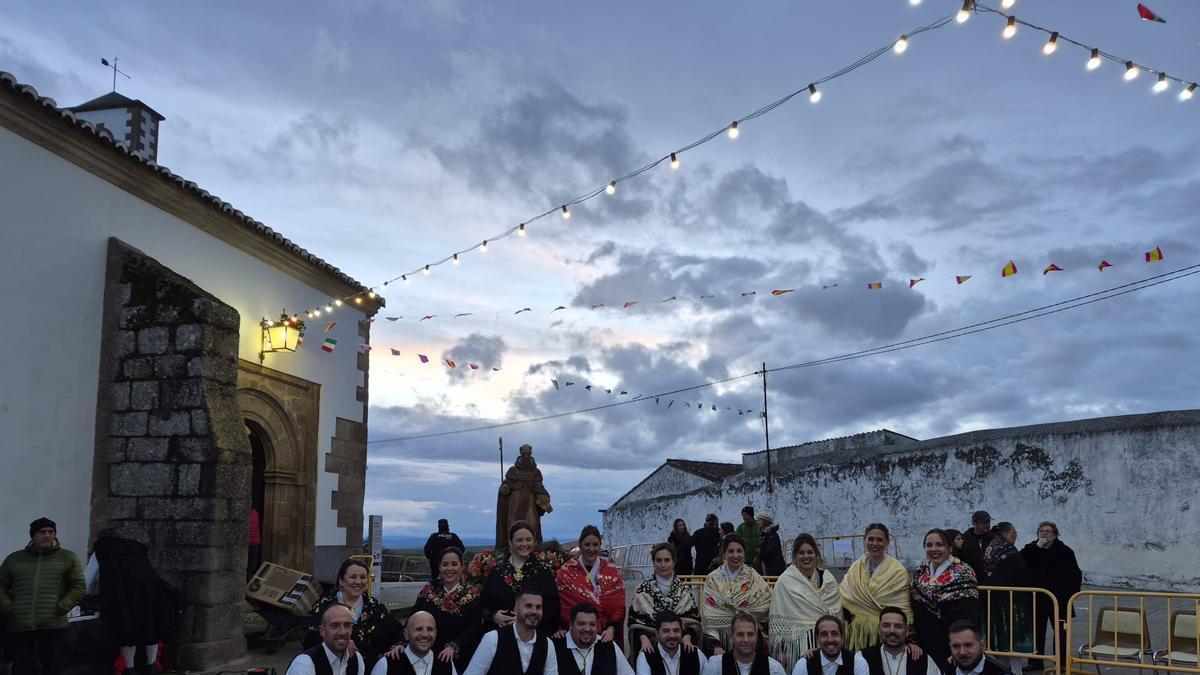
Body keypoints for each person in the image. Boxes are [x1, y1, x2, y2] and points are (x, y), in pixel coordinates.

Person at [0, 517, 86, 675]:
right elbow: (1, 585)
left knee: (52, 666)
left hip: (53, 623)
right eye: (42, 532)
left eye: (51, 532)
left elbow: (79, 586)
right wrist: (9, 608)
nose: (47, 535)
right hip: (21, 623)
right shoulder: (14, 559)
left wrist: (62, 606)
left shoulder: (67, 558)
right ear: (33, 535)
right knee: (22, 667)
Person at [86, 529, 178, 675]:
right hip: (149, 591)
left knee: (126, 631)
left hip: (122, 594)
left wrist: (86, 595)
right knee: (151, 628)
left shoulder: (102, 549)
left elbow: (88, 580)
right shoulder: (134, 546)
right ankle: (151, 666)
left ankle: (130, 669)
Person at [306, 559, 399, 666]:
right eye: (353, 577)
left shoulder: (376, 607)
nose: (358, 582)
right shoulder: (324, 606)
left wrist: (394, 648)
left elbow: (397, 634)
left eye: (363, 577)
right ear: (341, 580)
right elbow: (310, 640)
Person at [910, 529, 978, 675]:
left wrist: (960, 648)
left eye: (939, 545)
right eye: (929, 545)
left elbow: (969, 613)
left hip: (951, 642)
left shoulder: (963, 572)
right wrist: (912, 640)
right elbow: (914, 607)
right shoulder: (920, 572)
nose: (934, 549)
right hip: (924, 640)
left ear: (949, 548)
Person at [770, 534, 843, 669]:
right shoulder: (784, 582)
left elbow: (836, 614)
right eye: (801, 553)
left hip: (827, 642)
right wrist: (780, 651)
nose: (806, 556)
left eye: (810, 552)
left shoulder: (828, 580)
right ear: (795, 557)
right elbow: (779, 619)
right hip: (796, 647)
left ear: (816, 555)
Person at [1019, 522, 1081, 672]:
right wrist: (1038, 546)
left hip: (1059, 599)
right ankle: (1035, 662)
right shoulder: (1032, 549)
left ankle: (1061, 662)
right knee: (1036, 631)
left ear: (1055, 534)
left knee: (1060, 632)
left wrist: (1069, 594)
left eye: (1048, 531)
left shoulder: (1065, 551)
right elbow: (1021, 560)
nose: (1045, 533)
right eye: (1042, 531)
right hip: (1037, 598)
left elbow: (1076, 575)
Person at [481, 521, 561, 635]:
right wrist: (493, 616)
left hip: (533, 636)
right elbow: (484, 603)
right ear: (511, 542)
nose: (525, 544)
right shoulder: (497, 572)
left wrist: (524, 621)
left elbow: (553, 610)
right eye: (519, 540)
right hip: (500, 635)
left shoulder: (543, 572)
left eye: (528, 539)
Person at [841, 524, 912, 652]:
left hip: (885, 634)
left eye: (879, 540)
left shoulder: (898, 571)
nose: (875, 543)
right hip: (857, 633)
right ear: (865, 540)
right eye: (871, 539)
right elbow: (845, 596)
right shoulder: (855, 568)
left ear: (887, 542)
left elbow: (903, 606)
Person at [411, 547, 483, 668]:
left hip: (459, 656)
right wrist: (401, 642)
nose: (449, 569)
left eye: (454, 564)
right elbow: (414, 617)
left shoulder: (472, 594)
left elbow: (475, 627)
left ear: (462, 567)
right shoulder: (429, 590)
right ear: (439, 568)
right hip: (427, 653)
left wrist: (455, 645)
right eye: (445, 564)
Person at [555, 526, 626, 647]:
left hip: (606, 634)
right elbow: (561, 607)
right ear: (580, 545)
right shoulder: (566, 572)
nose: (591, 549)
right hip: (576, 633)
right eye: (587, 545)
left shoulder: (612, 571)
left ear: (600, 545)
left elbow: (618, 607)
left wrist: (611, 629)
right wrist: (562, 627)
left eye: (595, 544)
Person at [701, 534, 772, 654]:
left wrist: (756, 621)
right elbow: (709, 615)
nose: (735, 555)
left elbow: (766, 604)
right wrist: (715, 645)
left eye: (739, 551)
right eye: (731, 551)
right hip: (719, 639)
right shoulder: (713, 578)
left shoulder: (754, 577)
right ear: (724, 554)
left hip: (749, 635)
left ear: (744, 553)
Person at [463, 590, 558, 675]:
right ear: (515, 610)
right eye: (528, 606)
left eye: (538, 607)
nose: (534, 611)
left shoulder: (547, 644)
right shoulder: (493, 639)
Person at [629, 543, 701, 654]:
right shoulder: (643, 589)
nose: (663, 565)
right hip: (650, 646)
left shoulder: (684, 589)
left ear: (674, 562)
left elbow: (694, 620)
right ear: (653, 562)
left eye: (667, 560)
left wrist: (687, 636)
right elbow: (634, 622)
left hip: (680, 643)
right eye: (658, 560)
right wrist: (643, 638)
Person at [981, 523, 1031, 665]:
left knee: (995, 637)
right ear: (1007, 533)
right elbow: (1020, 572)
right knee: (1010, 639)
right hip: (1008, 600)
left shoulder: (991, 546)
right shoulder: (1008, 550)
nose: (1015, 535)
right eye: (1014, 532)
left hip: (991, 597)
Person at [495, 444, 554, 547]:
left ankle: (532, 551)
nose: (526, 456)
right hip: (515, 506)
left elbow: (539, 488)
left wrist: (545, 500)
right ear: (520, 453)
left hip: (530, 507)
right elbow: (507, 485)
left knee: (532, 527)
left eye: (528, 454)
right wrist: (504, 488)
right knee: (514, 529)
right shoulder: (513, 471)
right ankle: (511, 551)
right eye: (524, 454)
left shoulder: (536, 473)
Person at [552, 602, 635, 675]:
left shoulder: (609, 646)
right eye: (581, 624)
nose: (587, 629)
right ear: (571, 624)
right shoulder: (554, 647)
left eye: (592, 624)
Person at [853, 607, 941, 675]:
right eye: (886, 625)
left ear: (907, 631)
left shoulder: (924, 661)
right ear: (878, 630)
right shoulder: (862, 657)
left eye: (898, 626)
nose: (892, 631)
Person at [287, 603, 367, 675]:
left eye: (347, 625)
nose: (342, 632)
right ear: (322, 631)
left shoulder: (356, 659)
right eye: (335, 625)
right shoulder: (305, 664)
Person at [700, 612, 787, 675]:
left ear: (756, 637)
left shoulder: (774, 668)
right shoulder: (716, 666)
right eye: (740, 634)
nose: (746, 639)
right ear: (731, 637)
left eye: (750, 634)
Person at [373, 611, 458, 675]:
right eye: (419, 629)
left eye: (430, 629)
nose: (425, 634)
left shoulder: (446, 664)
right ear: (406, 634)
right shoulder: (386, 664)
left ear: (435, 633)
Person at [636, 611, 708, 675]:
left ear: (681, 632)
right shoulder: (645, 657)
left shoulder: (696, 654)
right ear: (657, 634)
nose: (672, 635)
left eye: (676, 630)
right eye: (666, 631)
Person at [947, 620, 1013, 675]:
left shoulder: (1000, 672)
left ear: (982, 646)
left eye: (968, 645)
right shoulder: (947, 669)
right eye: (956, 646)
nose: (962, 652)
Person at [960, 513, 994, 583]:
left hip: (991, 582)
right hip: (969, 580)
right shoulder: (964, 539)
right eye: (983, 522)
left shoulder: (994, 538)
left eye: (988, 522)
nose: (987, 525)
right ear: (973, 523)